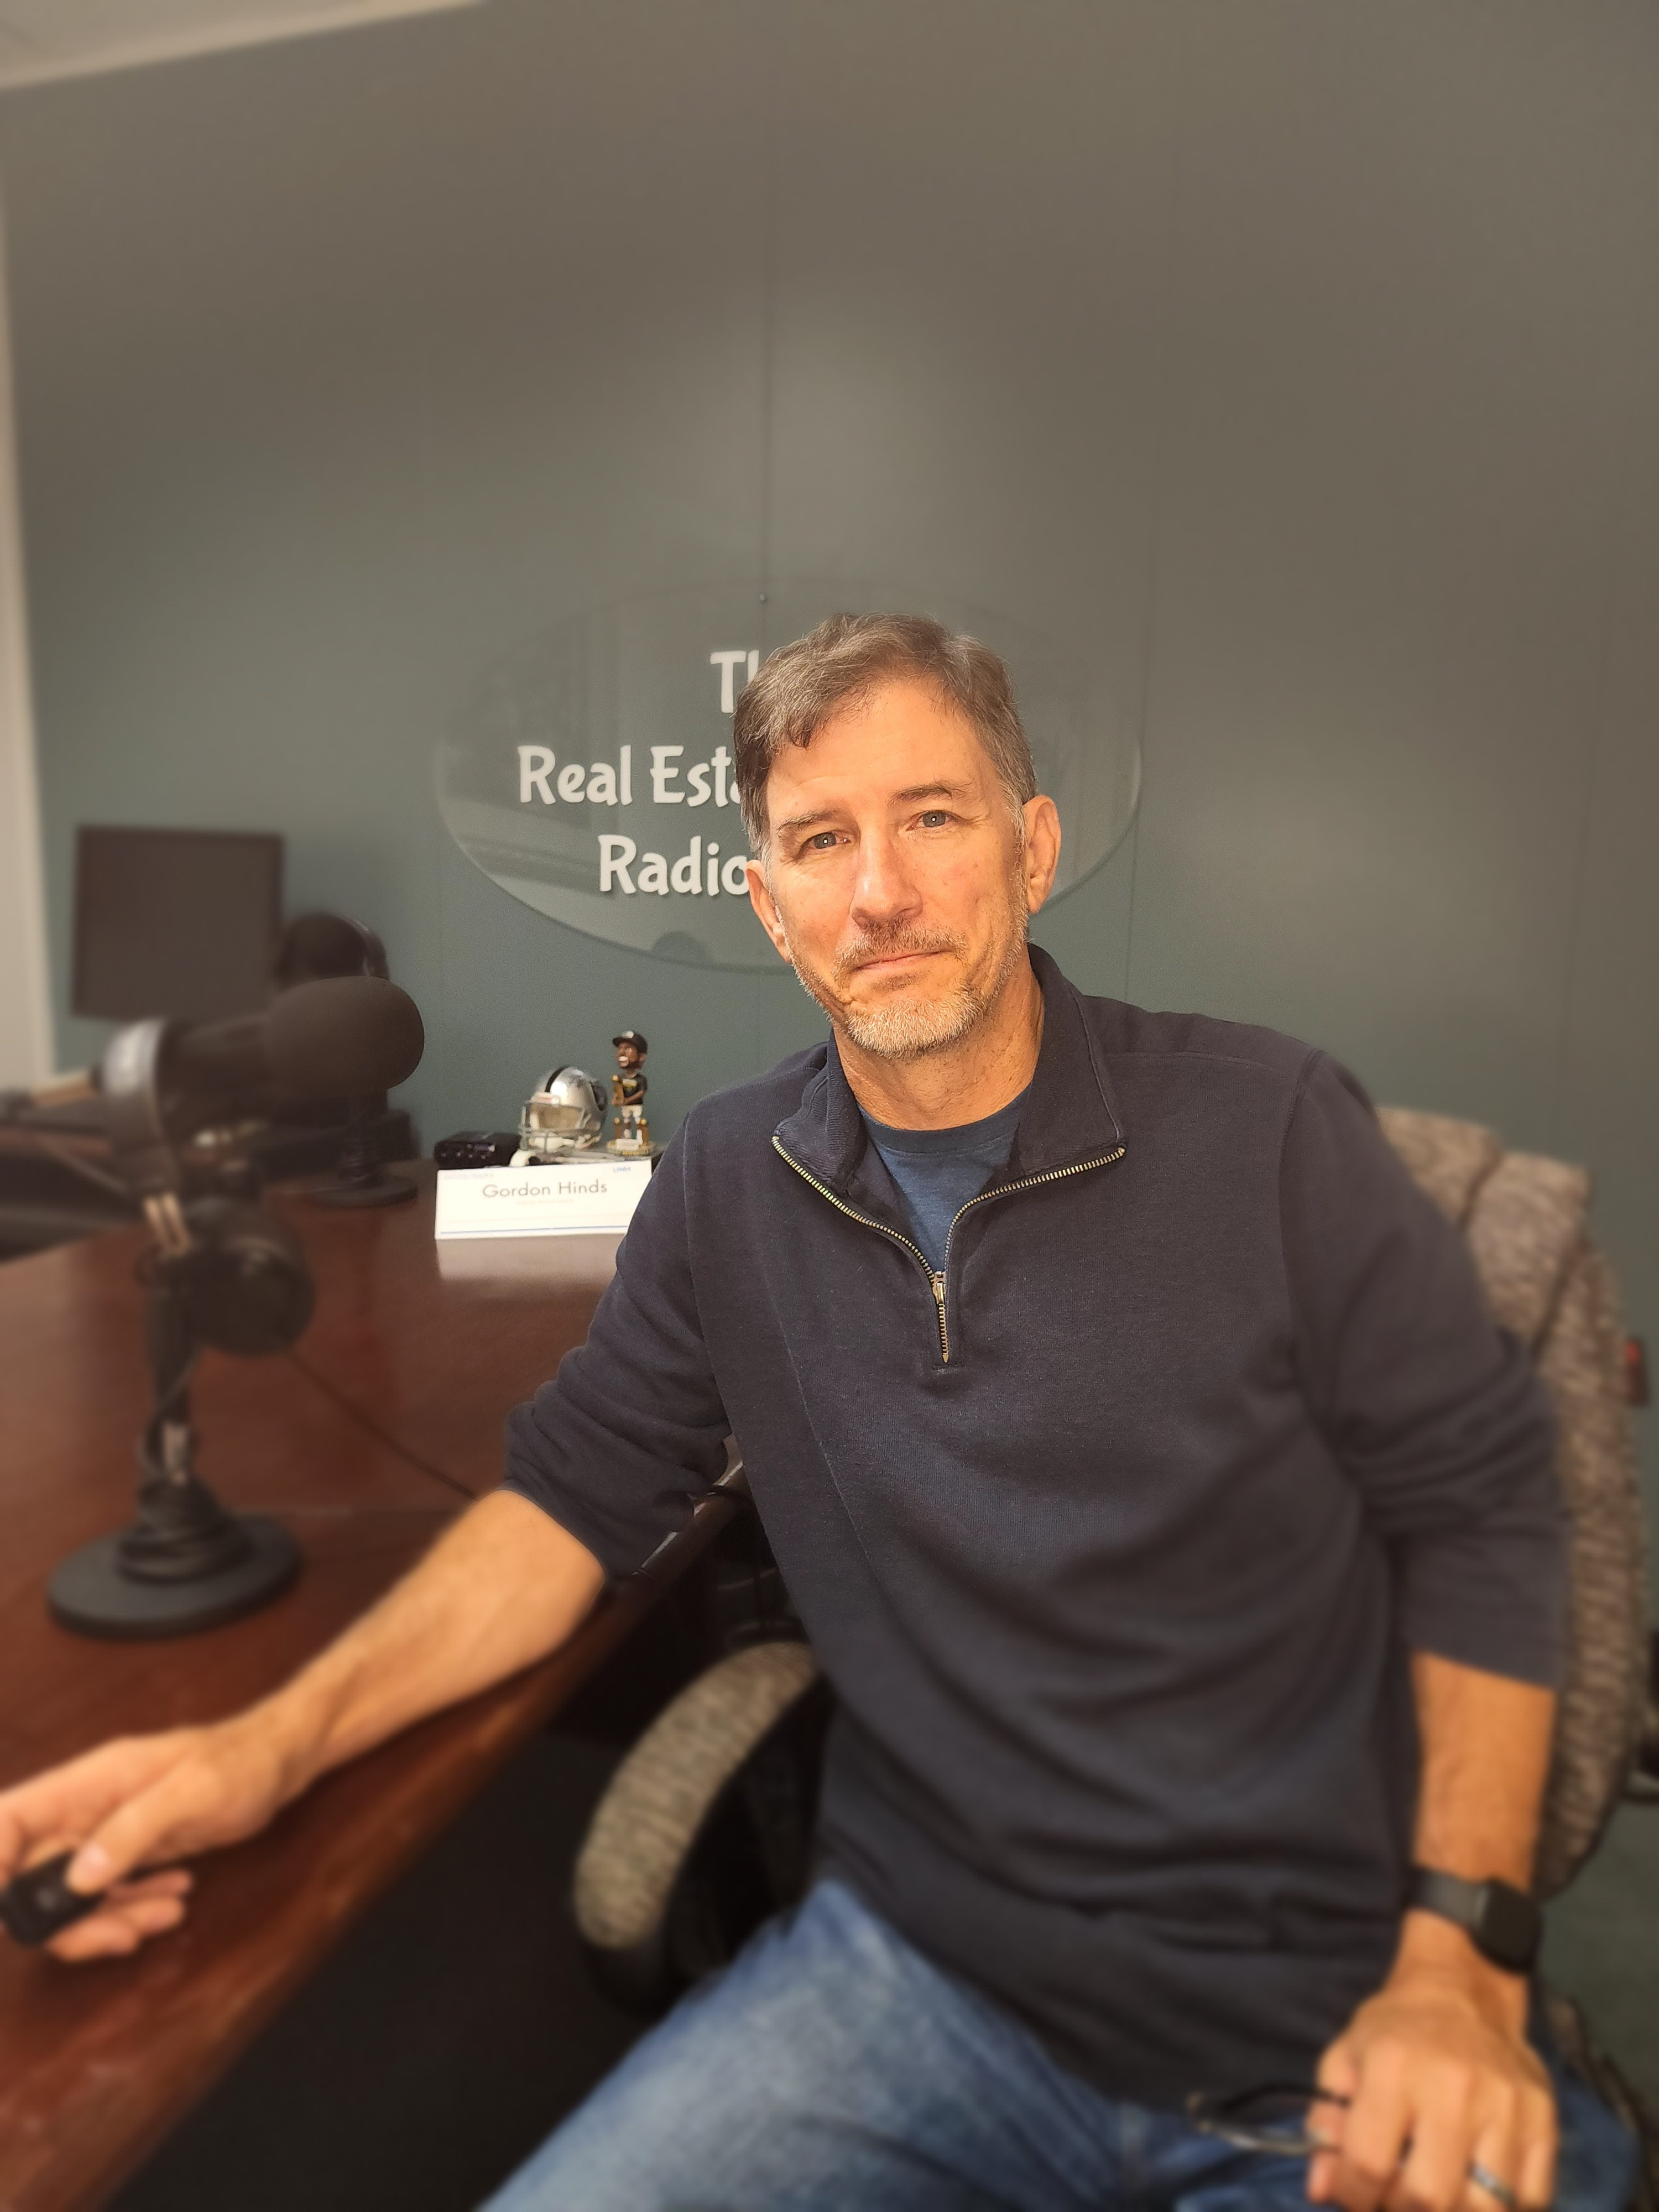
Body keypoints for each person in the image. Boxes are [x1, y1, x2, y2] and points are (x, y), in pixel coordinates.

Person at [0, 616, 1636, 2212]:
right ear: (767, 901)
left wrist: (1458, 1963)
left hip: (1316, 2008)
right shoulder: (729, 1177)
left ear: (1033, 847)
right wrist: (261, 1751)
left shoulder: (1268, 1128)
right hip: (920, 1980)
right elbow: (566, 1509)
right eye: (821, 839)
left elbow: (1482, 1510)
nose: (880, 892)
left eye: (933, 818)